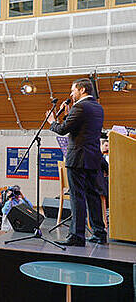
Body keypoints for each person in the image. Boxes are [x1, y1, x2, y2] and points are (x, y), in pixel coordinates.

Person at [48, 78, 107, 246]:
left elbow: (63, 129)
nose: (71, 93)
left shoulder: (80, 106)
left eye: (73, 90)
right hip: (92, 159)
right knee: (93, 196)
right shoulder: (97, 107)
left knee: (77, 197)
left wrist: (53, 122)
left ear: (82, 89)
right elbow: (80, 127)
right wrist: (68, 113)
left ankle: (77, 236)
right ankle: (99, 233)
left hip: (78, 159)